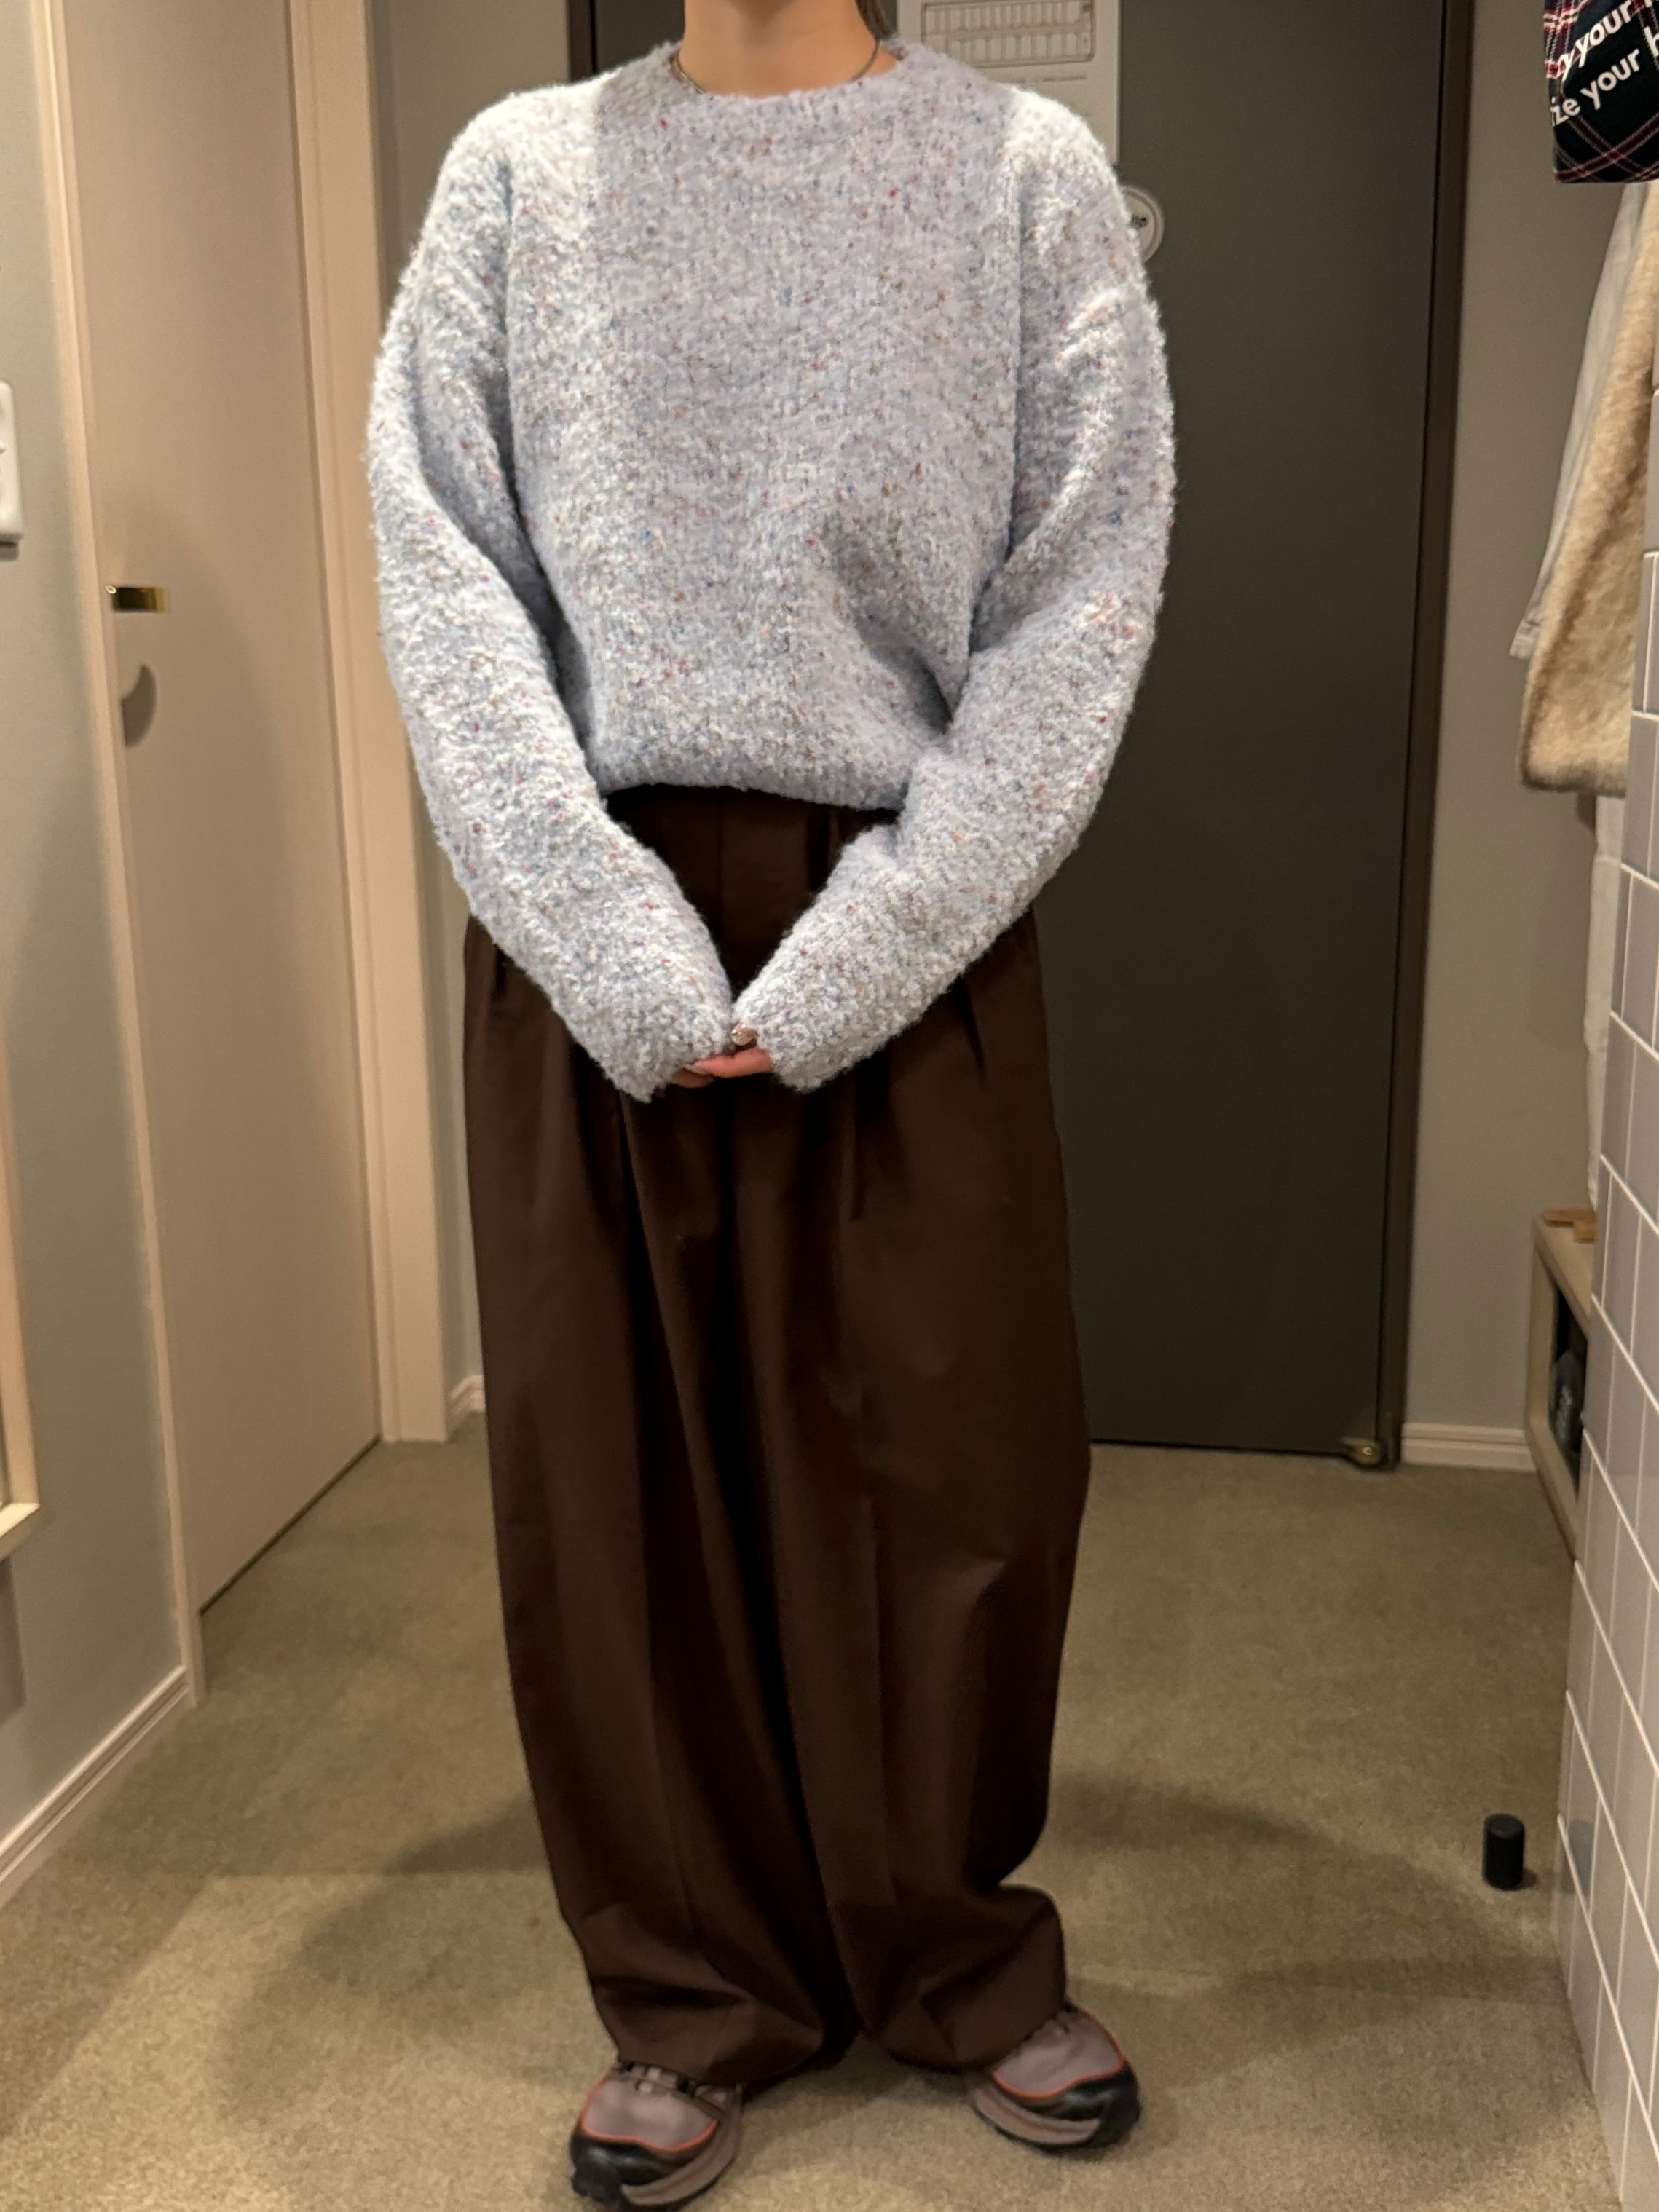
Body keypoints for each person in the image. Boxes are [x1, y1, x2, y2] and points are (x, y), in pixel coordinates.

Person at [367, 0, 1175, 2201]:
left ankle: (952, 1953)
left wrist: (870, 944)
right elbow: (448, 584)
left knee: (952, 1460)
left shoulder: (1024, 181)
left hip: (913, 909)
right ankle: (695, 1986)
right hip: (590, 909)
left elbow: (1080, 598)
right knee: (619, 1478)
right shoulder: (515, 180)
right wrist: (609, 936)